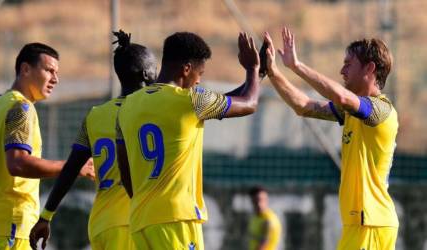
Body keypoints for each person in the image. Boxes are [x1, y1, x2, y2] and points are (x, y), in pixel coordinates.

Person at [116, 31, 261, 250]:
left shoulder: (127, 107)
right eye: (199, 73)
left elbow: (124, 168)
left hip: (140, 220)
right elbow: (249, 103)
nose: (199, 80)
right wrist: (253, 69)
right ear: (186, 68)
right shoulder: (192, 100)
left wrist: (257, 77)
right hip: (177, 218)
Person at [264, 27, 398, 250]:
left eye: (348, 64)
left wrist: (297, 66)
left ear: (370, 68)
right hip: (364, 223)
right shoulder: (351, 112)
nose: (342, 70)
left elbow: (341, 96)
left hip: (371, 223)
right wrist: (273, 71)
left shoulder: (382, 110)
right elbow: (304, 106)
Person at [28, 30, 157, 250]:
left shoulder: (95, 115)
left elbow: (71, 168)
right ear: (146, 74)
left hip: (101, 224)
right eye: (156, 68)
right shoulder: (152, 111)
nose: (159, 74)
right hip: (131, 222)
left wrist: (46, 216)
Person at [0, 43, 94, 250]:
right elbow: (18, 163)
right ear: (25, 69)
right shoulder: (21, 108)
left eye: (57, 73)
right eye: (49, 70)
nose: (55, 79)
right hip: (12, 223)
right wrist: (73, 167)